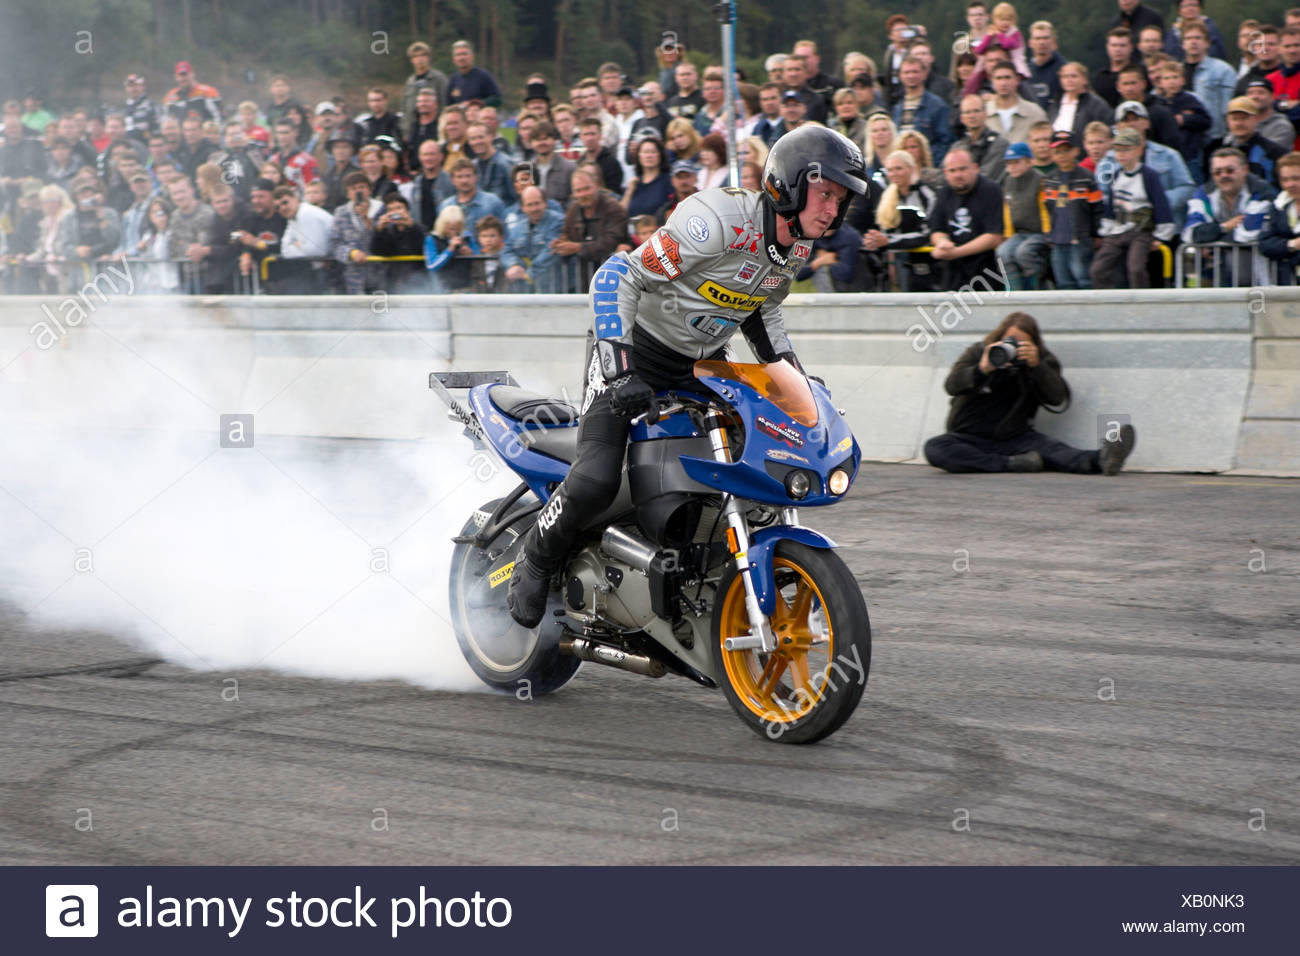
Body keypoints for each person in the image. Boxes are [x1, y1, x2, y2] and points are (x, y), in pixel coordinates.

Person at [505, 125, 869, 627]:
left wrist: (797, 383)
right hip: (634, 353)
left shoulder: (797, 245)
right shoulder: (716, 222)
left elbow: (763, 312)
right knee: (595, 478)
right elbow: (617, 275)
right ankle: (534, 560)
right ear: (789, 184)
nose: (832, 209)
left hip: (702, 366)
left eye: (841, 199)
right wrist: (619, 370)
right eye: (825, 193)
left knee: (748, 458)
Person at [923, 312, 1137, 475]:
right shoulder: (981, 352)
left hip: (1016, 438)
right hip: (969, 437)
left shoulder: (1041, 360)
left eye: (1020, 344)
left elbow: (1057, 398)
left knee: (1056, 451)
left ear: (1033, 344)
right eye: (1009, 342)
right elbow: (951, 386)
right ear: (999, 338)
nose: (1013, 348)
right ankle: (1010, 464)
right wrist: (982, 369)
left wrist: (1036, 367)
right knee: (935, 448)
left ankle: (1103, 458)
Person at [1090, 127, 1176, 289]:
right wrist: (1106, 230)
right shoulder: (1116, 175)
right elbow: (1111, 207)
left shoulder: (1149, 176)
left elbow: (1161, 205)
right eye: (1118, 150)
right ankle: (1106, 300)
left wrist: (1161, 235)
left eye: (1126, 149)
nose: (1121, 154)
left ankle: (1140, 301)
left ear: (1139, 150)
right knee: (1098, 269)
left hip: (1141, 231)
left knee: (1136, 269)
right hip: (1117, 230)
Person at [1182, 147, 1276, 285]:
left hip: (1258, 273)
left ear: (1245, 169)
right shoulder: (1204, 193)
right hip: (1219, 268)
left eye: (1230, 170)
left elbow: (1248, 234)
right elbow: (1190, 233)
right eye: (1217, 172)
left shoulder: (1262, 192)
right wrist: (1224, 227)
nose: (1223, 176)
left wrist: (1209, 241)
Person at [929, 147, 1006, 290]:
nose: (958, 175)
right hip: (953, 272)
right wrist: (942, 242)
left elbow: (994, 236)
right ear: (945, 173)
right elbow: (937, 229)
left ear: (975, 168)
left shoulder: (991, 190)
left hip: (987, 270)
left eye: (962, 169)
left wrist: (956, 252)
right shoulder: (944, 193)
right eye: (952, 171)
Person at [862, 149, 939, 291]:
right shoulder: (887, 198)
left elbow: (927, 235)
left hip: (929, 266)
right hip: (898, 266)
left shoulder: (927, 195)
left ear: (911, 169)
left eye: (898, 168)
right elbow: (886, 232)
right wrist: (875, 239)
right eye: (890, 170)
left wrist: (887, 241)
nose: (894, 174)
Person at [1041, 131, 1101, 289]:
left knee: (1083, 278)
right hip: (1057, 239)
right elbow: (1046, 209)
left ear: (1076, 151)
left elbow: (1096, 208)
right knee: (1063, 281)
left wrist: (1096, 234)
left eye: (1066, 150)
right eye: (1057, 152)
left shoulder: (1087, 177)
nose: (1062, 155)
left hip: (1080, 238)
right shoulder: (1049, 179)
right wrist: (1049, 234)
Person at [556, 166, 629, 291]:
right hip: (583, 279)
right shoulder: (573, 210)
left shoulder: (613, 208)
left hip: (613, 279)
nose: (583, 194)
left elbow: (611, 242)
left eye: (587, 188)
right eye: (578, 191)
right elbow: (566, 234)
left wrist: (578, 247)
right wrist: (561, 244)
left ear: (596, 185)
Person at [997, 142, 1049, 289]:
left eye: (1016, 162)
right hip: (1019, 233)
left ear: (1029, 162)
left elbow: (1045, 208)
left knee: (1024, 252)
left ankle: (1037, 287)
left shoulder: (1040, 180)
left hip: (1039, 233)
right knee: (1003, 252)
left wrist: (1047, 231)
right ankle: (1014, 291)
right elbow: (1007, 209)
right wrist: (1008, 233)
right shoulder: (1008, 181)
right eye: (1008, 163)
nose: (1012, 167)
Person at [500, 184, 567, 292]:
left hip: (552, 288)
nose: (534, 208)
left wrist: (527, 273)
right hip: (523, 291)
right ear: (522, 207)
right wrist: (512, 265)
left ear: (545, 203)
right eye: (529, 205)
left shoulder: (558, 221)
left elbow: (551, 251)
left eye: (537, 203)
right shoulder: (517, 227)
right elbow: (506, 250)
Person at [328, 171, 382, 294]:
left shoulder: (381, 209)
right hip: (352, 276)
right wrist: (351, 253)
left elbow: (384, 239)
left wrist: (366, 218)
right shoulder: (341, 212)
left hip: (379, 273)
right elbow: (334, 243)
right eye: (353, 188)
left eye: (362, 187)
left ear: (369, 190)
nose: (358, 191)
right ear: (347, 193)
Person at [891, 56, 953, 163]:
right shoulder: (897, 108)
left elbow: (946, 142)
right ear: (900, 76)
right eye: (906, 72)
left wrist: (929, 161)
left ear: (924, 74)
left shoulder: (937, 106)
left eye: (915, 72)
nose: (911, 76)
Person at [369, 193, 428, 292]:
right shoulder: (386, 231)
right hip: (392, 282)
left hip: (417, 281)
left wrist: (411, 226)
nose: (395, 212)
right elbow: (376, 250)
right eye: (391, 210)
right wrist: (379, 230)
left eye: (399, 208)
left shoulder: (420, 228)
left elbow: (424, 247)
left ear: (407, 210)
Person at [1049, 63, 1117, 143]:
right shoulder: (1055, 102)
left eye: (1073, 76)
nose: (1069, 80)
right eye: (1065, 76)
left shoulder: (1096, 104)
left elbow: (1108, 129)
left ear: (1085, 79)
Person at [436, 158, 506, 236]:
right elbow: (440, 236)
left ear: (476, 177)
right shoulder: (445, 206)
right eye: (459, 177)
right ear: (452, 180)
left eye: (468, 176)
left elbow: (505, 234)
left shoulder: (492, 202)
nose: (464, 181)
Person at [1260, 150, 1300, 283]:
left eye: (1296, 178)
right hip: (1286, 280)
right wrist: (1292, 244)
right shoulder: (1278, 205)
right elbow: (1265, 244)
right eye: (1285, 179)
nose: (1290, 184)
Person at [984, 62, 1047, 145]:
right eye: (998, 78)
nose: (1003, 83)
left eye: (1007, 78)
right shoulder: (983, 112)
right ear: (992, 81)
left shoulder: (1035, 112)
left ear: (1017, 80)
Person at [424, 205, 478, 292]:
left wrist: (470, 254)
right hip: (443, 289)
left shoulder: (467, 237)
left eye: (457, 229)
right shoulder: (432, 239)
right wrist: (450, 250)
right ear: (442, 225)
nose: (454, 232)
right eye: (451, 229)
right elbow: (432, 265)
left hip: (467, 288)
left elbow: (479, 260)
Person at [955, 94, 1009, 179]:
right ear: (962, 118)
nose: (972, 116)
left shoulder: (999, 144)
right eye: (967, 112)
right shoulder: (957, 147)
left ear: (985, 114)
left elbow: (987, 176)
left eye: (976, 111)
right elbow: (945, 174)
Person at [621, 137, 673, 221]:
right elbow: (620, 214)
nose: (649, 156)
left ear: (660, 155)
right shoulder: (633, 184)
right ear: (639, 156)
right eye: (645, 152)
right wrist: (629, 192)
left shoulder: (669, 182)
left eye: (653, 152)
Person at [402, 42, 449, 125]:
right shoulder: (410, 82)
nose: (420, 59)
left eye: (423, 55)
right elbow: (405, 108)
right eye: (416, 56)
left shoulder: (439, 78)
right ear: (411, 60)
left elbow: (445, 103)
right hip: (413, 126)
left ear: (429, 58)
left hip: (434, 125)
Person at [446, 41, 503, 108]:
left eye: (464, 54)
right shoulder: (453, 79)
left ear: (472, 57)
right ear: (454, 59)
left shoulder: (483, 76)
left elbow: (497, 99)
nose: (461, 58)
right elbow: (448, 104)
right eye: (458, 55)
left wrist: (477, 104)